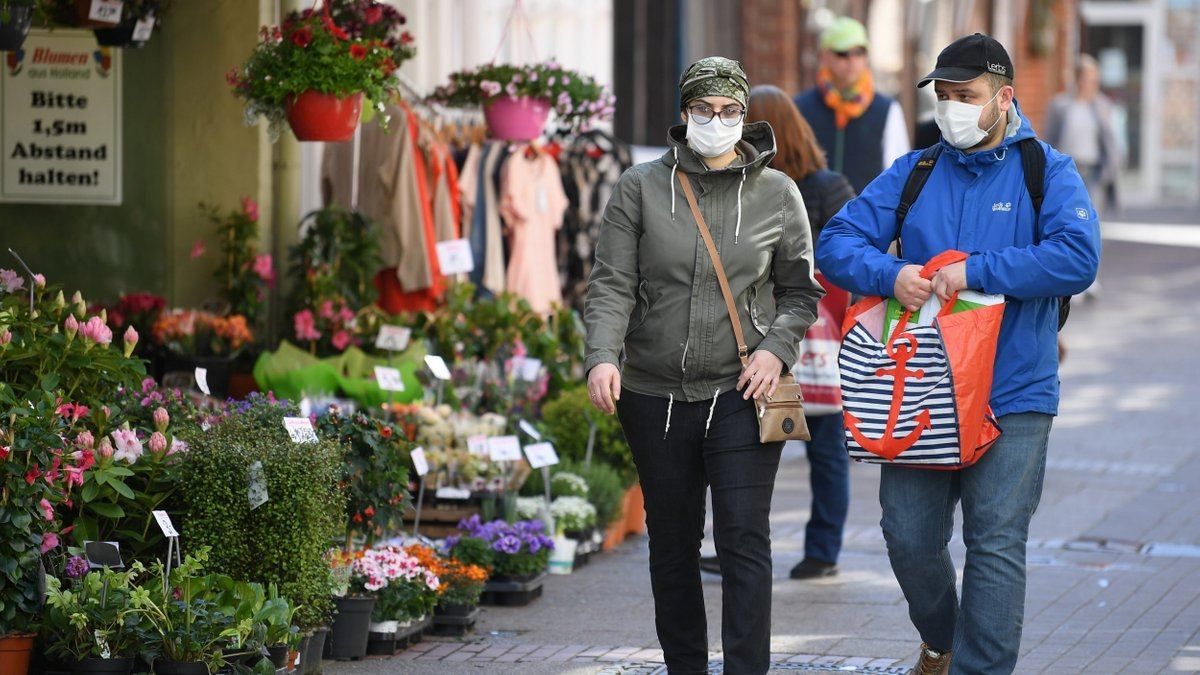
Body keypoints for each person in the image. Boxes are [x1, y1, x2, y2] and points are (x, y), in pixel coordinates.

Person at [816, 34, 1100, 674]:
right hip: (921, 387)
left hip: (1013, 390)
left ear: (1004, 97)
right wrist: (890, 276)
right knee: (908, 537)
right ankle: (943, 642)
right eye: (942, 96)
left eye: (965, 96)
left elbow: (1078, 257)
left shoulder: (1046, 170)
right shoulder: (915, 171)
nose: (951, 109)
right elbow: (837, 242)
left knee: (995, 541)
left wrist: (979, 270)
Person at [584, 57, 823, 675]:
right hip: (653, 395)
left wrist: (775, 349)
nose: (716, 122)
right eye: (703, 110)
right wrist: (602, 357)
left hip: (744, 392)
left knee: (744, 542)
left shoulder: (778, 193)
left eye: (729, 112)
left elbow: (802, 293)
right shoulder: (639, 186)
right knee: (671, 547)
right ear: (684, 113)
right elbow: (611, 283)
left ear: (745, 117)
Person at [698, 85, 856, 582]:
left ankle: (737, 550)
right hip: (820, 332)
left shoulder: (747, 187)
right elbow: (850, 257)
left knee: (743, 448)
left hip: (755, 336)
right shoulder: (829, 187)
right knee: (826, 446)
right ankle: (823, 550)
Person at [794, 16, 910, 194]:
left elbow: (898, 175)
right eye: (842, 53)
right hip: (813, 218)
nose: (852, 60)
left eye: (859, 52)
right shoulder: (800, 107)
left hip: (866, 219)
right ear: (824, 56)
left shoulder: (887, 109)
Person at [1044, 54, 1122, 216]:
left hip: (1093, 173)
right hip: (1066, 170)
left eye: (1094, 79)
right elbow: (1049, 139)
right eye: (1087, 78)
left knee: (1090, 217)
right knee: (1066, 215)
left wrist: (1108, 172)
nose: (1091, 84)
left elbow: (1112, 142)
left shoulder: (1103, 106)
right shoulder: (1060, 105)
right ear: (1078, 79)